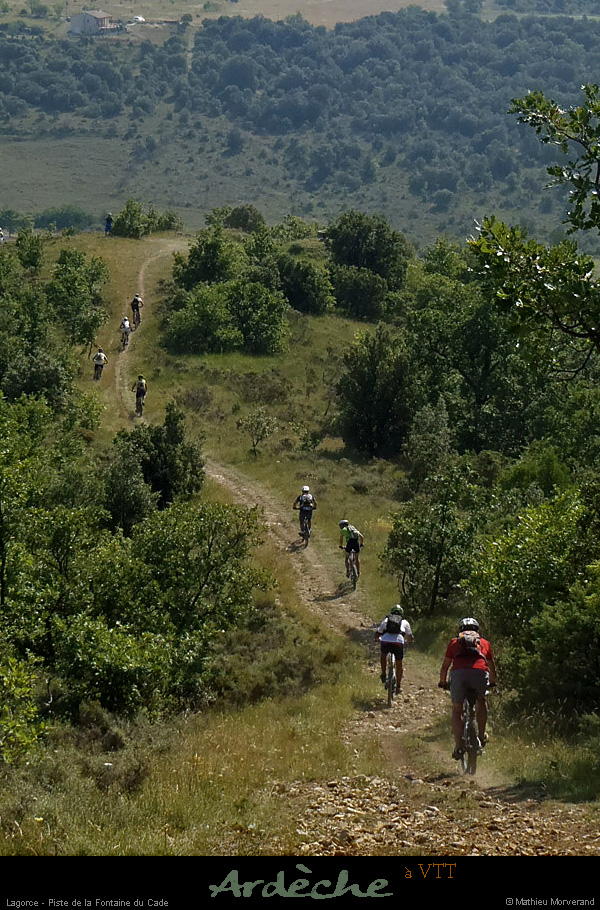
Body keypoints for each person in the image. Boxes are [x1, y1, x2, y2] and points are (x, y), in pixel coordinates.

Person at [438, 617, 497, 760]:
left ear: (461, 631)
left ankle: (458, 746)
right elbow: (491, 666)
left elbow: (445, 666)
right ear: (477, 630)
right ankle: (481, 735)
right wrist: (492, 681)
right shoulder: (484, 643)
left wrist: (442, 682)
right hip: (479, 673)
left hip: (459, 675)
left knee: (457, 709)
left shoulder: (454, 643)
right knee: (481, 700)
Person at [375, 604, 414, 691]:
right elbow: (410, 636)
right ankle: (398, 687)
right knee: (399, 664)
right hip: (398, 643)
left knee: (383, 655)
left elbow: (378, 632)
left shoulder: (386, 620)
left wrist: (377, 639)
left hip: (386, 642)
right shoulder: (405, 622)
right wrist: (409, 641)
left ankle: (384, 674)